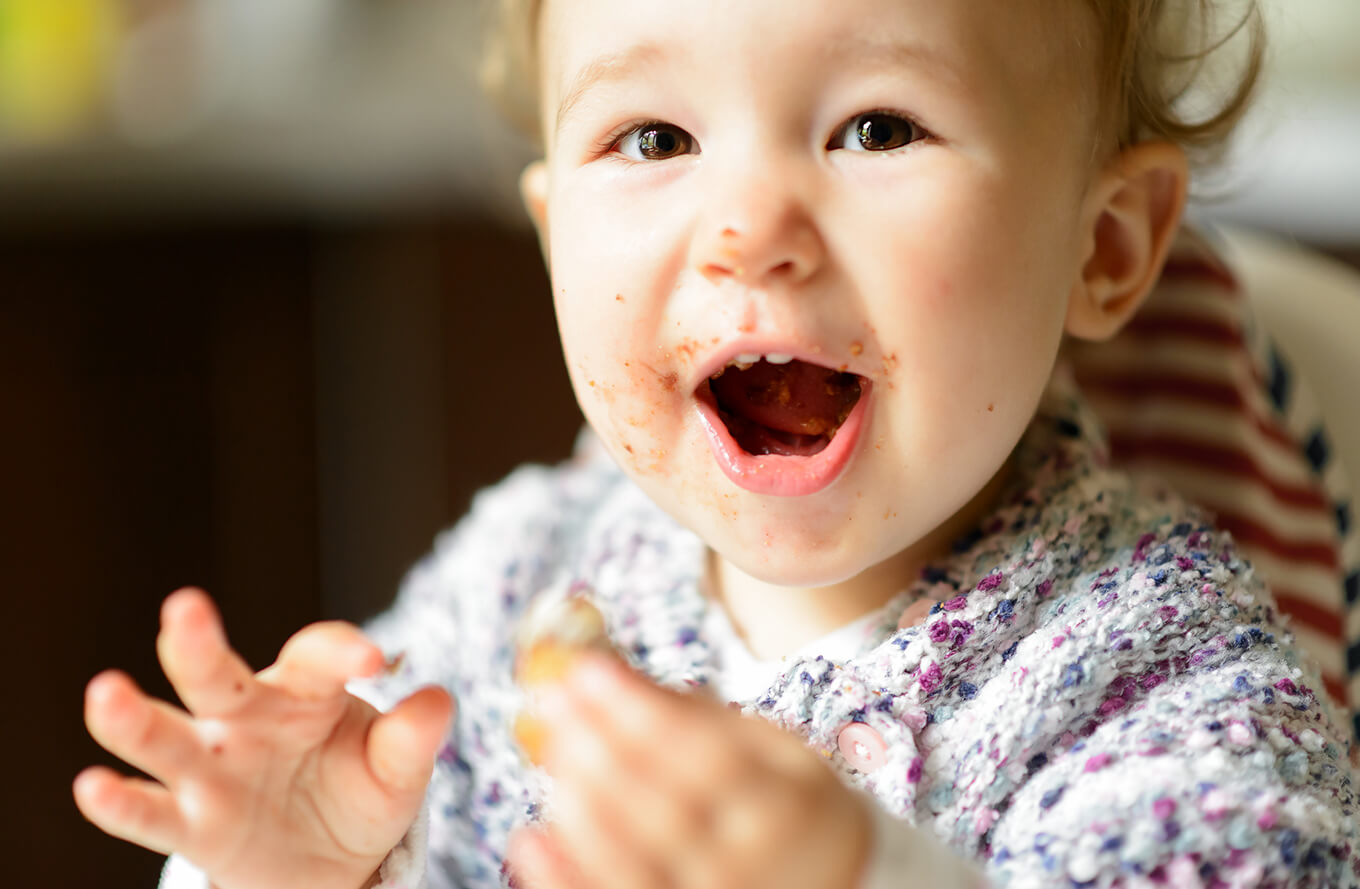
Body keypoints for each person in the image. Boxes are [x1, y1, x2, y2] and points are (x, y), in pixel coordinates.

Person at [76, 0, 1360, 887]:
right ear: (551, 234)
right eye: (655, 139)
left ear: (1105, 244)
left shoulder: (1152, 657)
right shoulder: (509, 592)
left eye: (876, 127)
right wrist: (304, 866)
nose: (747, 226)